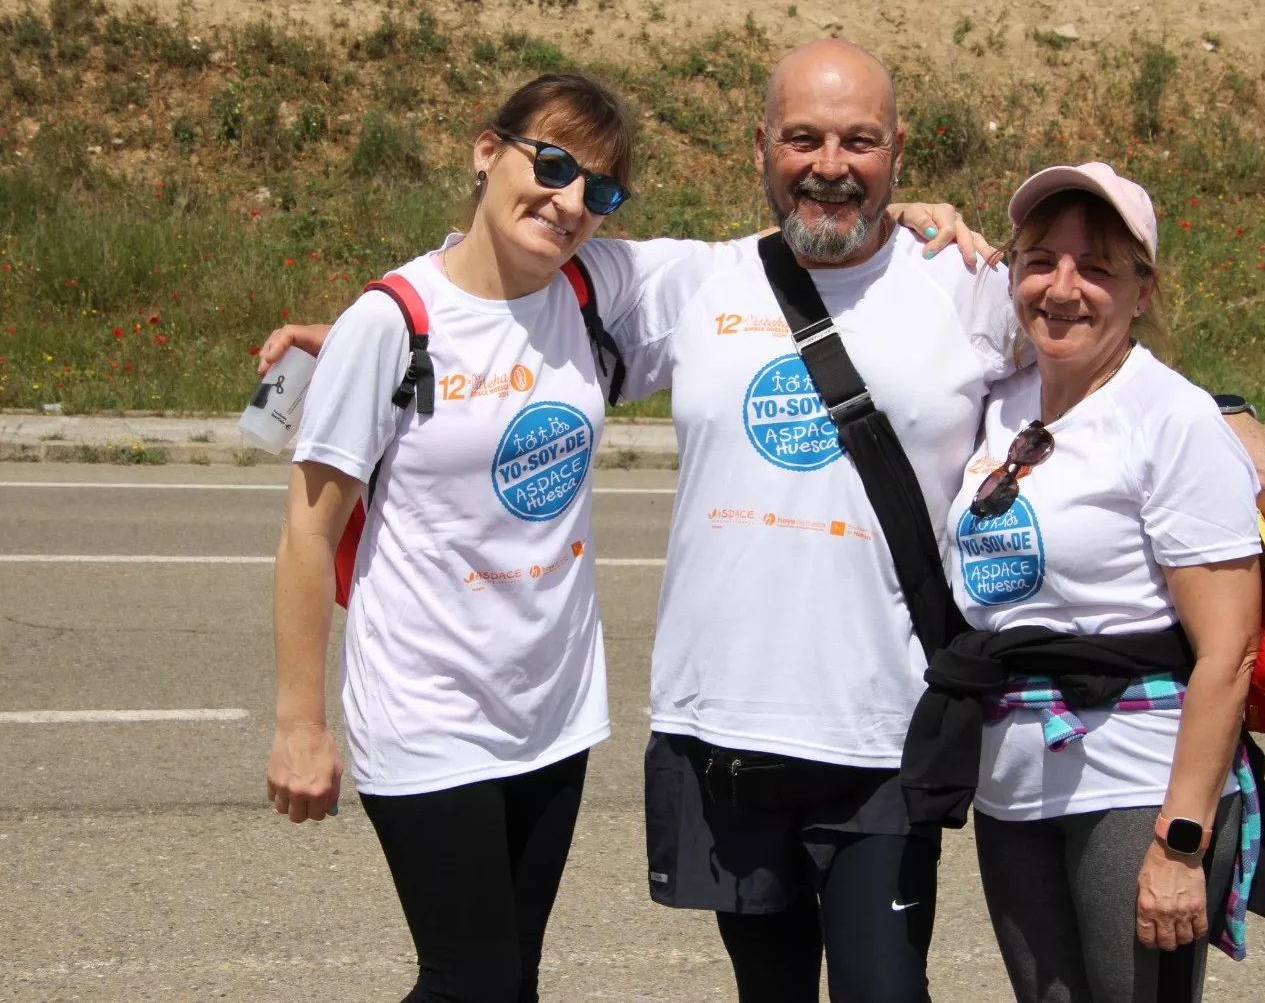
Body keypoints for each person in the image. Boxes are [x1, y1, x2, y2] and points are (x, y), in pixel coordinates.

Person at [263, 43, 1265, 1003]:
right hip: (726, 740)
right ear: (761, 146)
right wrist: (361, 329)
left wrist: (1227, 413)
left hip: (885, 736)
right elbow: (499, 283)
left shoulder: (965, 284)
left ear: (897, 152)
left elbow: (1091, 343)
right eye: (804, 138)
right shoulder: (685, 281)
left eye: (859, 142)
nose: (830, 165)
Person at [263, 69, 982, 1003]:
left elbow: (815, 231)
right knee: (472, 982)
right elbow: (308, 528)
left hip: (553, 719)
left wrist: (902, 215)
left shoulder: (592, 288)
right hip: (428, 706)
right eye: (551, 166)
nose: (569, 203)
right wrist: (299, 724)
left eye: (599, 190)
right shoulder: (396, 322)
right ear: (487, 152)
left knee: (510, 982)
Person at [922, 164, 1265, 1003]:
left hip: (1140, 784)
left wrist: (1181, 845)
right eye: (1040, 260)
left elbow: (1230, 653)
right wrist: (906, 209)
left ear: (1144, 291)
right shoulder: (1000, 401)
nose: (1062, 288)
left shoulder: (1172, 418)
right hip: (1013, 782)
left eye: (1097, 268)